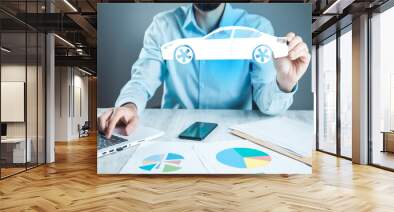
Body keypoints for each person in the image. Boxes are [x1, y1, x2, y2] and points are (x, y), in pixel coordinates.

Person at [99, 3, 311, 139]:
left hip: (232, 135)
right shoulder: (164, 25)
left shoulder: (257, 29)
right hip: (173, 134)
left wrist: (285, 82)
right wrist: (129, 106)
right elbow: (142, 79)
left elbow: (268, 104)